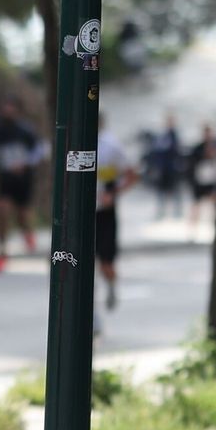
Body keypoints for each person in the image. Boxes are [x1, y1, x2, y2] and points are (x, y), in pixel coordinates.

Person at [0, 98, 43, 272]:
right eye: (5, 109)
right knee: (2, 211)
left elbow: (39, 151)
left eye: (11, 109)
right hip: (5, 179)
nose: (7, 112)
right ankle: (2, 252)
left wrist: (25, 164)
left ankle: (28, 233)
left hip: (23, 179)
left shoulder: (26, 131)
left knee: (23, 214)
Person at [94, 113, 140, 320]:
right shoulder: (71, 140)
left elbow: (132, 175)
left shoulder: (111, 146)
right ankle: (91, 316)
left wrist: (113, 194)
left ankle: (111, 284)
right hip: (81, 214)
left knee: (106, 264)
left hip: (104, 213)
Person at [186, 122, 216, 240]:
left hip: (211, 182)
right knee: (196, 208)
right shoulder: (198, 149)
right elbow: (191, 165)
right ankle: (192, 232)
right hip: (199, 182)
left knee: (215, 207)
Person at [148, 113, 183, 219]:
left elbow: (176, 151)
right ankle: (161, 211)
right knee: (161, 191)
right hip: (164, 169)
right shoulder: (163, 136)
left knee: (174, 190)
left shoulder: (174, 135)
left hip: (171, 169)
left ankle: (177, 212)